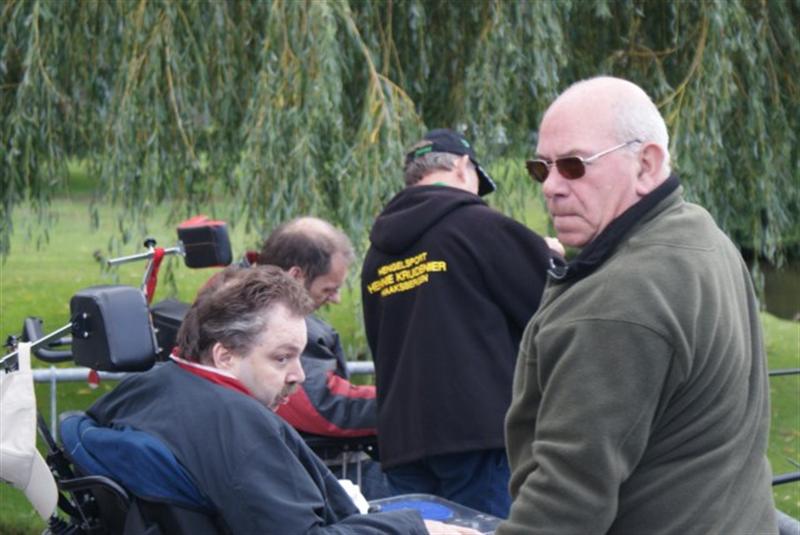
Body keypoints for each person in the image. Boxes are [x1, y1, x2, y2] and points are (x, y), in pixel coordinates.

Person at [498, 76, 777, 534]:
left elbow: (564, 503)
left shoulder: (620, 299)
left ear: (647, 165)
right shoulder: (699, 233)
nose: (551, 187)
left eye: (573, 165)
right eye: (540, 168)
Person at [86, 265, 479, 534]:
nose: (299, 375)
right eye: (282, 358)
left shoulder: (142, 390)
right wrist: (414, 527)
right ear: (225, 356)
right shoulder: (241, 429)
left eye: (299, 356)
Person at [361, 128, 557, 517]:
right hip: (479, 434)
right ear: (463, 167)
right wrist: (550, 257)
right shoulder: (479, 226)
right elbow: (555, 309)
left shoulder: (377, 256)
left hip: (403, 439)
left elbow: (379, 341)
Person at [257, 216, 388, 498]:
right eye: (328, 289)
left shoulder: (234, 294)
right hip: (317, 466)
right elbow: (323, 406)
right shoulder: (275, 323)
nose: (336, 299)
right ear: (296, 276)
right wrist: (403, 405)